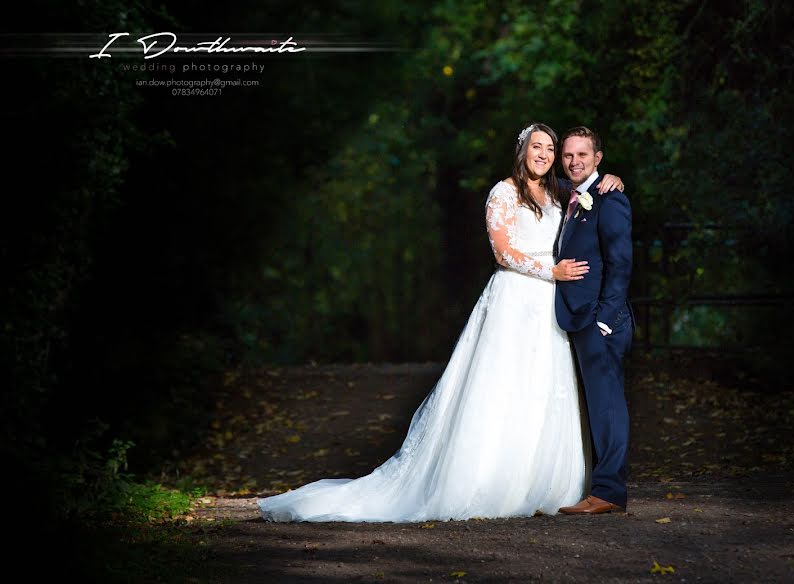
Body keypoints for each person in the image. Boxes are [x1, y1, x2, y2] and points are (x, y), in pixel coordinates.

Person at [256, 123, 624, 522]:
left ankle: (544, 482)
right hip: (515, 299)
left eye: (550, 148)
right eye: (538, 147)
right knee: (502, 387)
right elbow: (502, 253)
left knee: (543, 387)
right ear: (522, 151)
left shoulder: (560, 194)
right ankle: (491, 482)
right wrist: (550, 271)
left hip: (550, 308)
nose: (546, 154)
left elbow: (591, 189)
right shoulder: (504, 192)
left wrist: (612, 179)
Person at [554, 126, 634, 515]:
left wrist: (604, 321)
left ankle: (608, 492)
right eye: (568, 155)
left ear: (598, 158)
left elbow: (620, 264)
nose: (574, 162)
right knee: (596, 405)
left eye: (582, 155)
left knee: (608, 406)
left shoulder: (610, 199)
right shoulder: (570, 196)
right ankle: (600, 487)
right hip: (579, 319)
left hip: (601, 322)